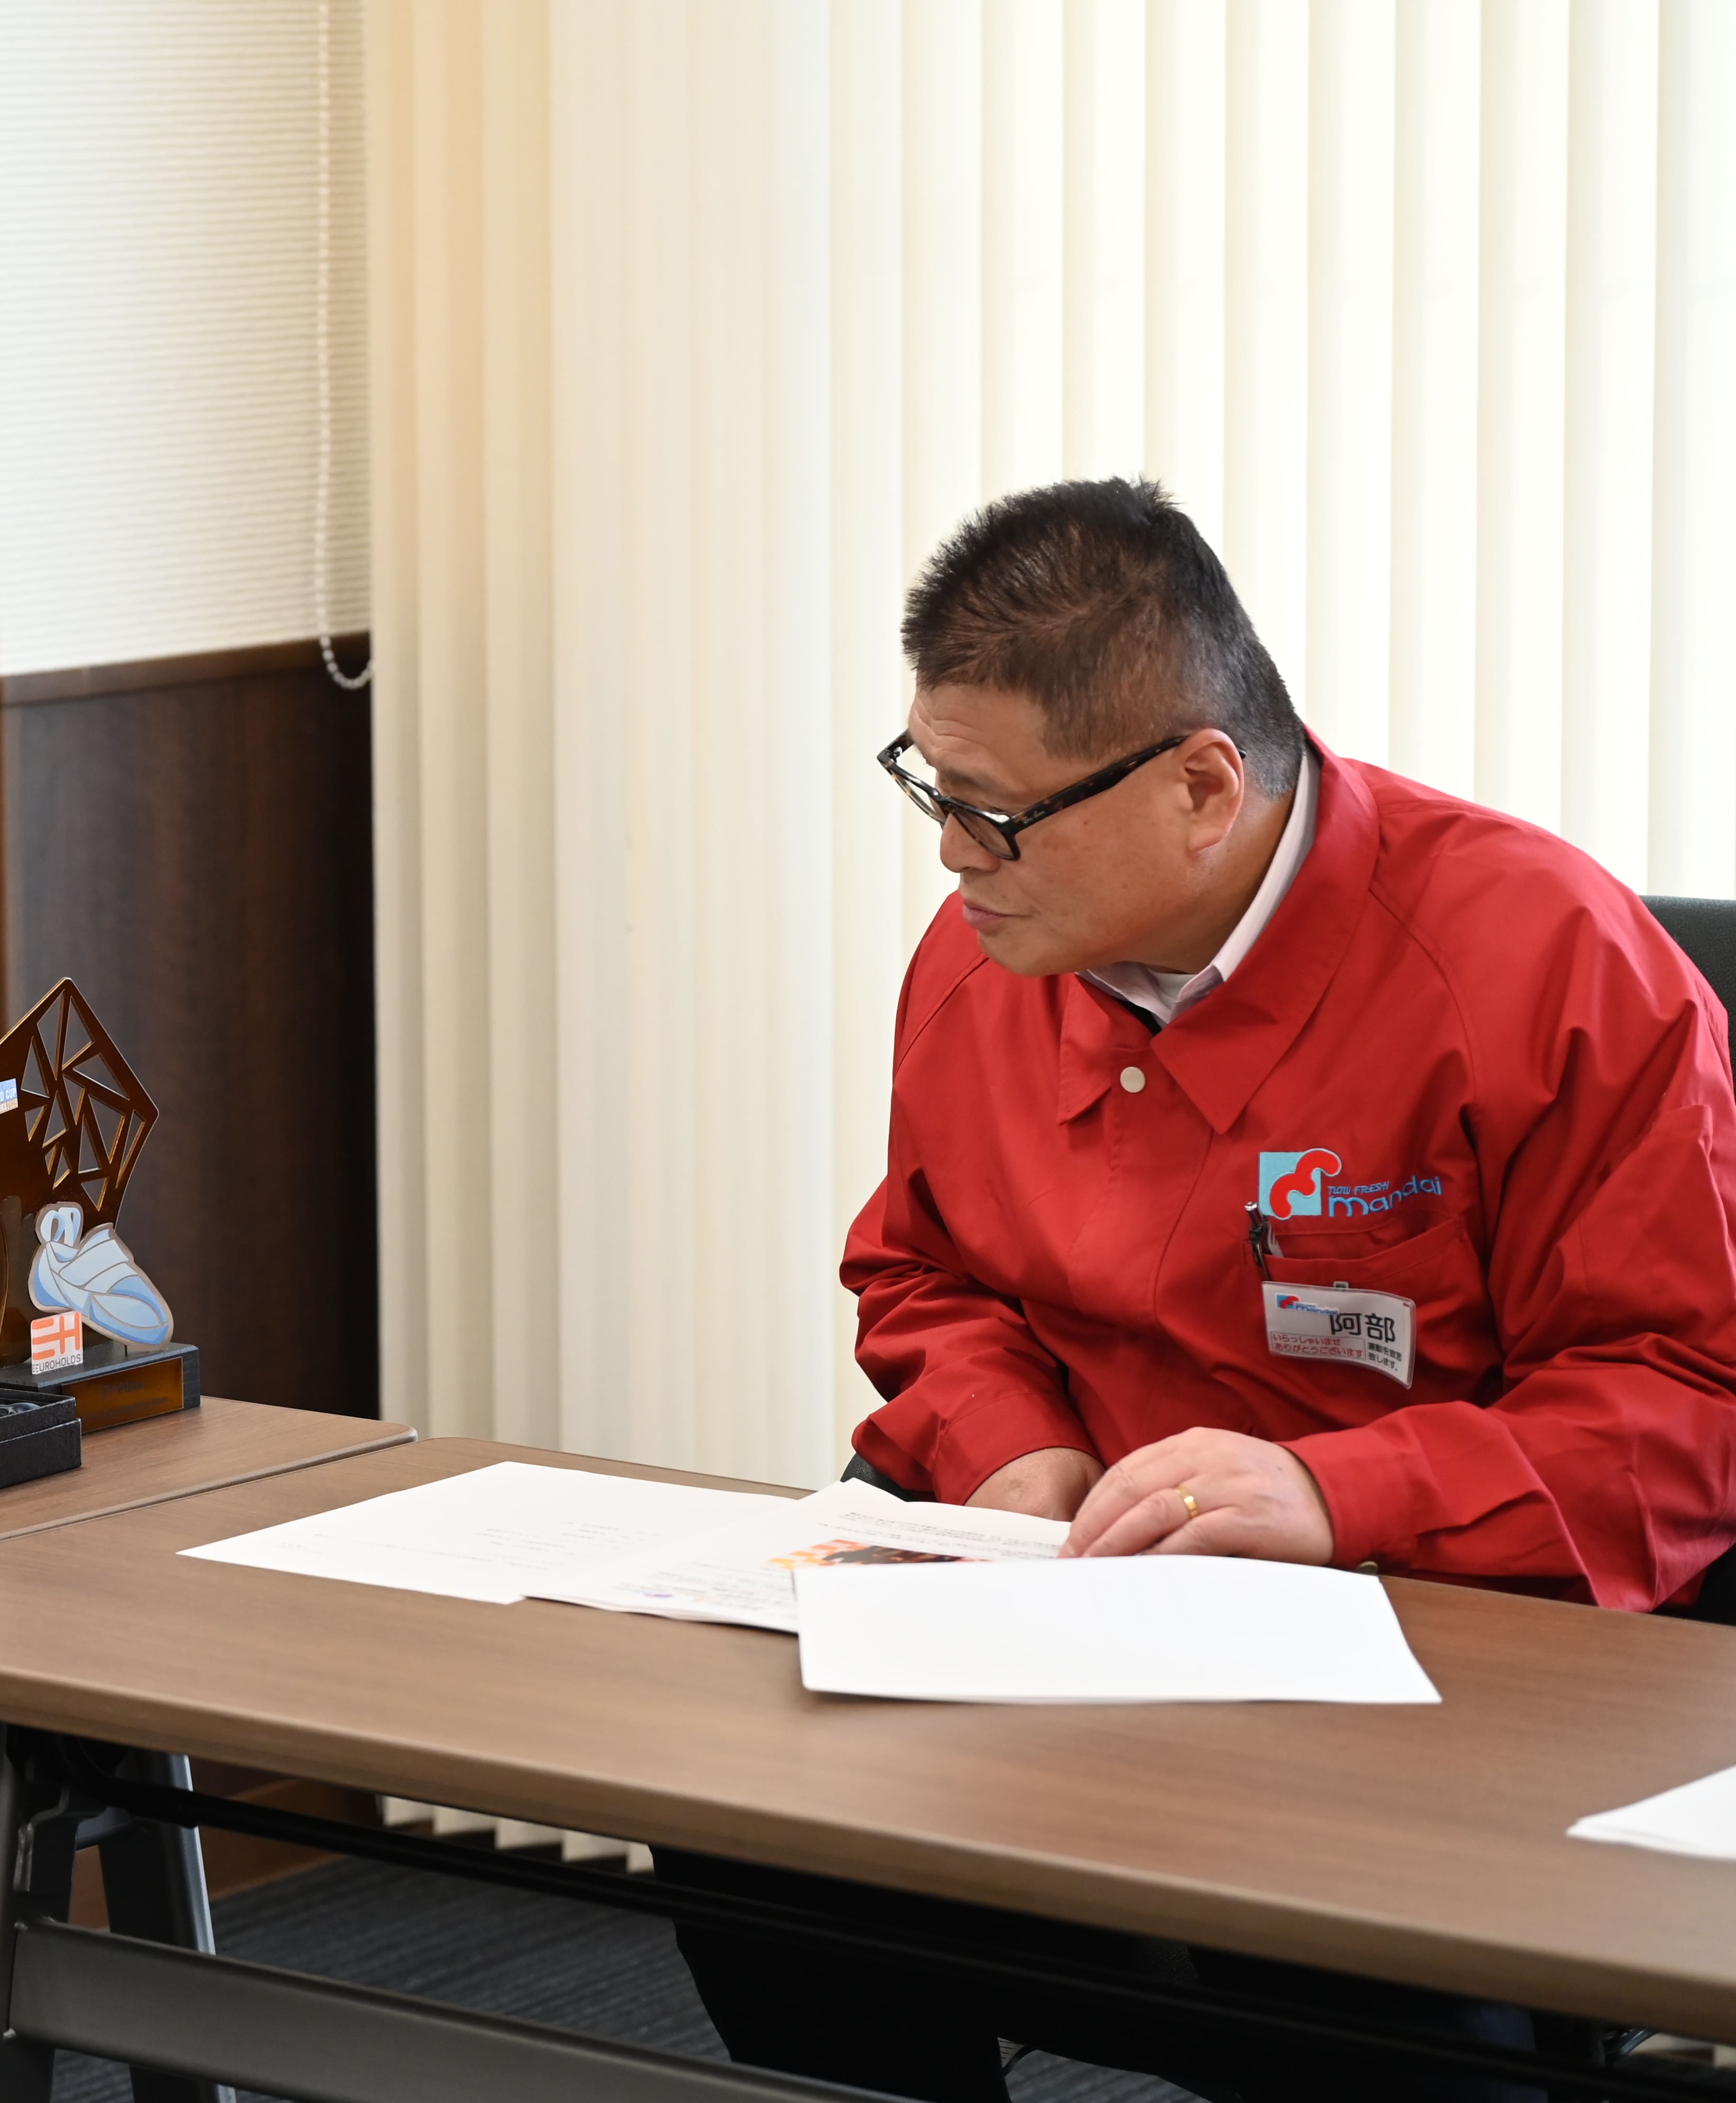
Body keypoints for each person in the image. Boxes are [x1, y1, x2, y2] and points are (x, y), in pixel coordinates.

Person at [657, 478, 1736, 2103]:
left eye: (994, 812)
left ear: (1202, 786)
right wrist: (1009, 1450)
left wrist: (1335, 1492)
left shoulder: (1547, 962)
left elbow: (1684, 1402)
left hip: (1428, 1635)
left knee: (1311, 1940)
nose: (952, 856)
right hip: (1074, 1589)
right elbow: (923, 1271)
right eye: (933, 791)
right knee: (752, 1827)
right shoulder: (990, 954)